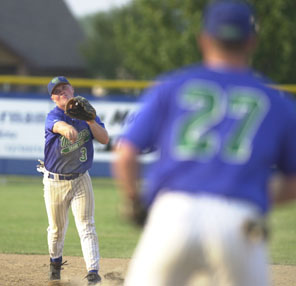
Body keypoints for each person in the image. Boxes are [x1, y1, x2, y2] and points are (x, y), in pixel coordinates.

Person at [113, 1, 296, 285]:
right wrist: (255, 193)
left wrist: (134, 201)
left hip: (173, 214)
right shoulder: (277, 103)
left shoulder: (172, 87)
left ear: (204, 39)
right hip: (239, 221)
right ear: (252, 42)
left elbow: (125, 154)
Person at [38, 76, 109, 285]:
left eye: (65, 88)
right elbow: (61, 127)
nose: (63, 93)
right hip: (55, 181)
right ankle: (55, 265)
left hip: (81, 178)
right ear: (53, 98)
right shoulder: (53, 115)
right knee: (56, 230)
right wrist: (68, 129)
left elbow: (104, 138)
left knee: (87, 225)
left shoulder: (86, 112)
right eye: (58, 91)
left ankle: (93, 273)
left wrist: (90, 121)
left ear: (72, 89)